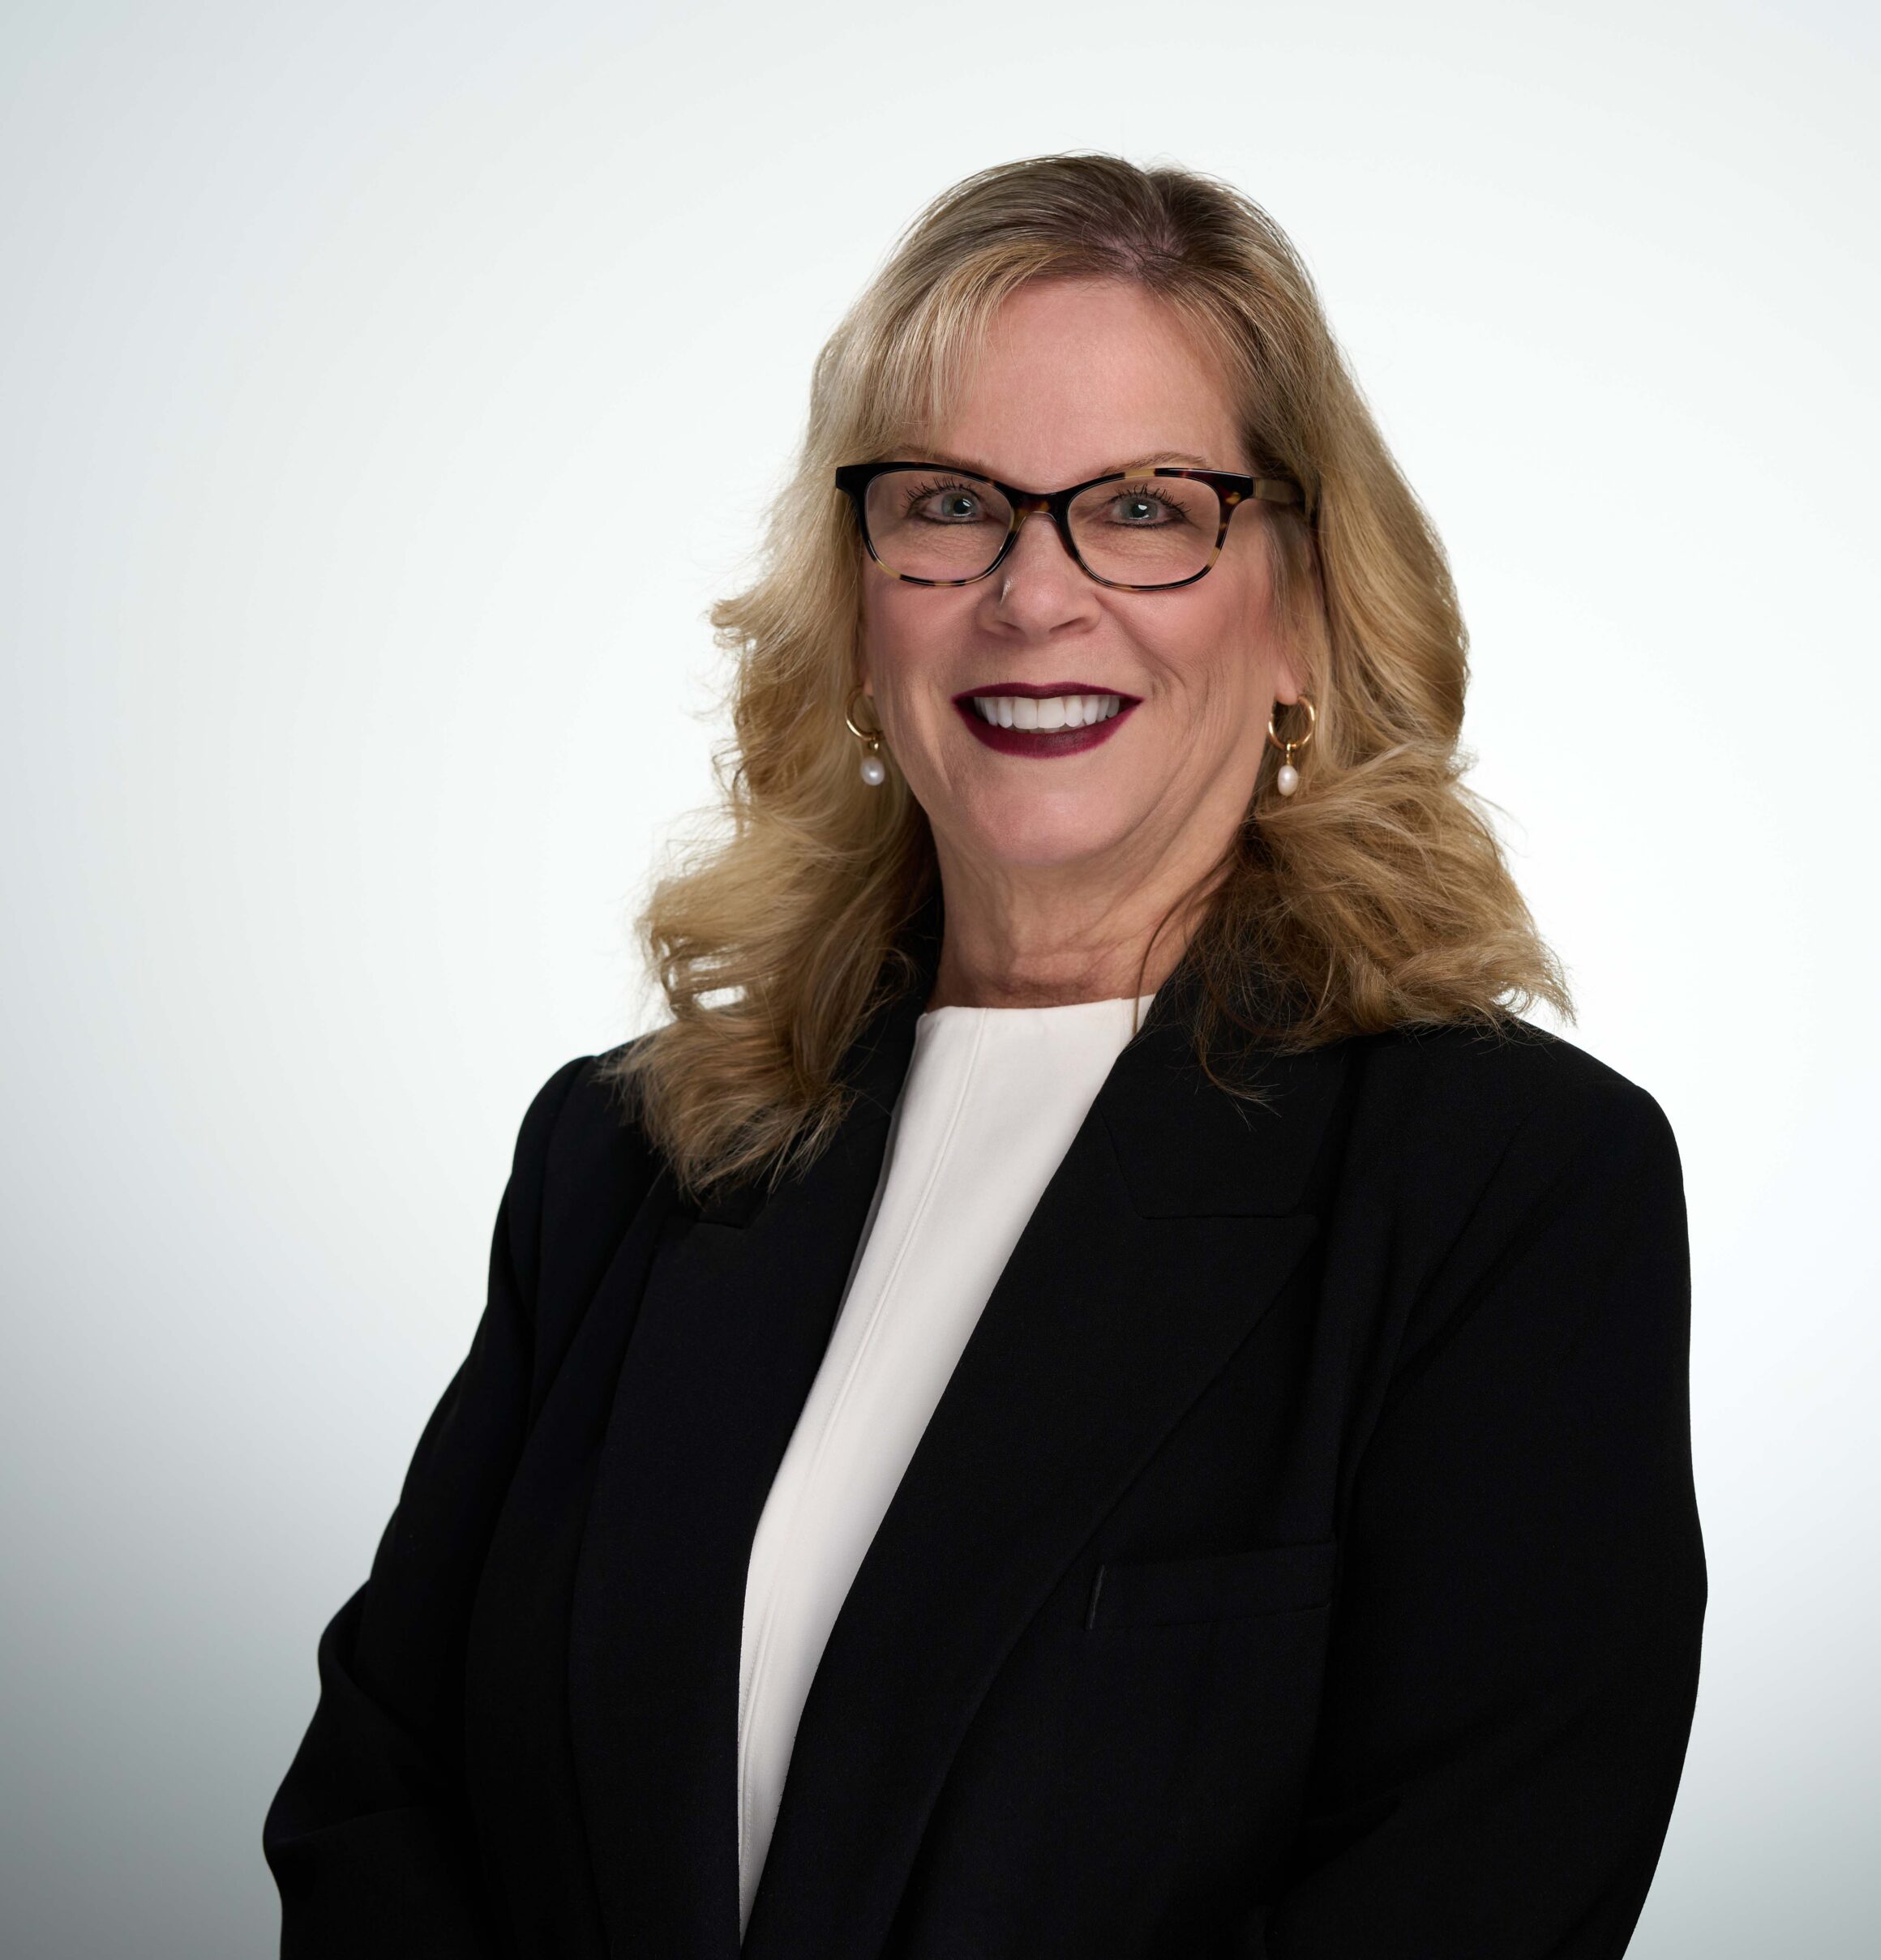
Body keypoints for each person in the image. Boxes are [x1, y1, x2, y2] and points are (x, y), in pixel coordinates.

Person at [264, 152, 1706, 1960]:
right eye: (951, 504)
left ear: (1301, 611)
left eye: (1146, 508)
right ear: (861, 604)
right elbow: (381, 1805)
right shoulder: (621, 1157)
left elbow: (1467, 1895)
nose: (1033, 597)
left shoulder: (1505, 1188)